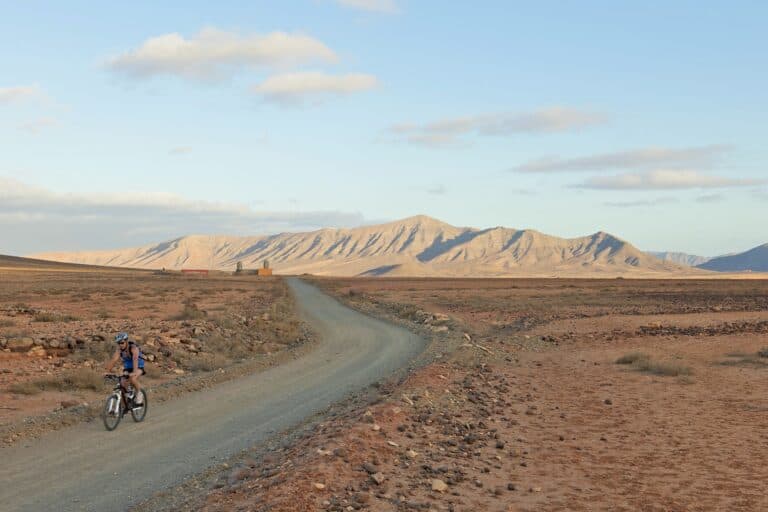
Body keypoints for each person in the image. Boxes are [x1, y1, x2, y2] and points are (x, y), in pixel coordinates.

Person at [104, 332, 145, 407]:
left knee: (133, 378)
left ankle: (139, 394)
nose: (120, 345)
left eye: (122, 343)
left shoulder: (133, 348)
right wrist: (107, 371)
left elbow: (135, 359)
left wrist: (134, 372)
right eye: (118, 343)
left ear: (126, 341)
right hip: (128, 367)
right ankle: (125, 406)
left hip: (138, 365)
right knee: (122, 383)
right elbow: (114, 360)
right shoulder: (119, 350)